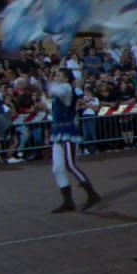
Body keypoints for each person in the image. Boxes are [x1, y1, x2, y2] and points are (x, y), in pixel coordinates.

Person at [46, 68, 100, 213]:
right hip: (58, 131)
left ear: (65, 79)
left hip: (67, 131)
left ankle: (92, 194)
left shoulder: (66, 88)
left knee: (70, 164)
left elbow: (55, 89)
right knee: (58, 169)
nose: (55, 76)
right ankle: (68, 201)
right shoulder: (67, 89)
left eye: (58, 75)